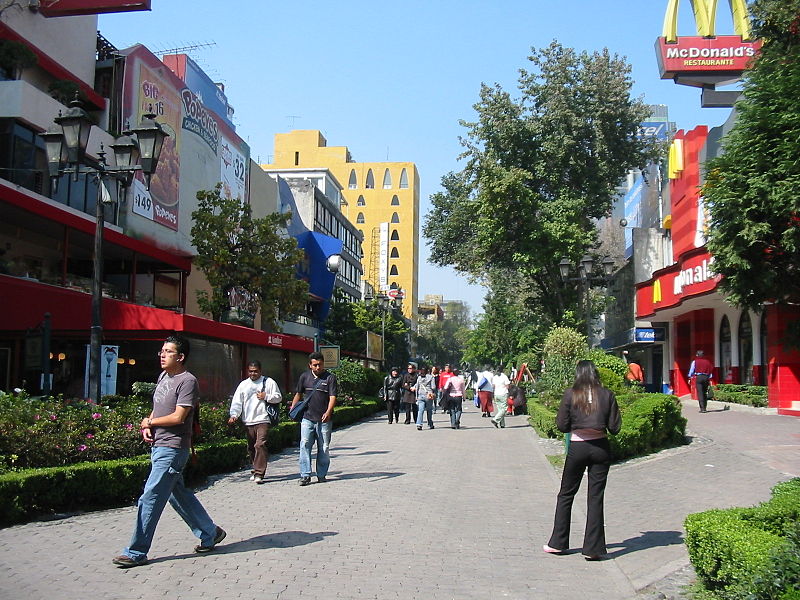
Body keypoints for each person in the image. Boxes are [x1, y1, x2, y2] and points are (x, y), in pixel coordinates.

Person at [112, 335, 226, 568]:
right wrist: (148, 422)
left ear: (181, 357)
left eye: (168, 351)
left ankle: (136, 551)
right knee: (178, 495)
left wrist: (152, 424)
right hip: (159, 445)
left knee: (151, 497)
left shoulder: (187, 381)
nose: (162, 355)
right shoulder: (164, 376)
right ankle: (209, 532)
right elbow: (158, 408)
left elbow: (178, 416)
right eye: (161, 351)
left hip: (173, 449)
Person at [543, 360, 621, 561]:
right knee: (595, 497)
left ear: (578, 374)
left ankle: (558, 543)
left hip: (578, 447)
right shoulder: (607, 394)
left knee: (566, 494)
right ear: (595, 374)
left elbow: (561, 425)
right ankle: (593, 549)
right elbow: (615, 427)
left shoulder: (571, 394)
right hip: (601, 448)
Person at [227, 360, 282, 484]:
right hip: (248, 420)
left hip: (263, 419)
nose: (253, 374)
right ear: (248, 371)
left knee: (260, 444)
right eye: (251, 371)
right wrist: (234, 415)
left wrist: (266, 396)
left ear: (260, 371)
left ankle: (259, 473)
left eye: (255, 371)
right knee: (251, 447)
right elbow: (237, 401)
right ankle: (255, 469)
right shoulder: (243, 385)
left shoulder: (269, 382)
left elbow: (279, 397)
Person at [290, 351, 338, 486]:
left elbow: (332, 397)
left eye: (320, 365)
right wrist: (293, 410)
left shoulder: (330, 378)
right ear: (310, 365)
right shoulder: (304, 377)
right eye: (315, 365)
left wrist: (329, 411)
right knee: (304, 445)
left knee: (324, 447)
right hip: (307, 417)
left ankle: (321, 474)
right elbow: (298, 394)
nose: (318, 368)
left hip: (324, 420)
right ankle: (305, 475)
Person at [414, 365, 436, 430]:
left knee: (420, 410)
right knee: (429, 410)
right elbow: (433, 387)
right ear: (428, 371)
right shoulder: (431, 377)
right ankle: (430, 424)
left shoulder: (419, 377)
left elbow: (417, 387)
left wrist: (416, 396)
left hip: (420, 395)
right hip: (428, 395)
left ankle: (419, 424)